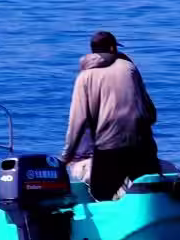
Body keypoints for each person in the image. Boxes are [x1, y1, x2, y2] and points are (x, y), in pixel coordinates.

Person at [62, 30, 160, 201]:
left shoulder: (84, 78)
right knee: (152, 192)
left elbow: (77, 122)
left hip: (108, 148)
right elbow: (150, 112)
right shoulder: (129, 67)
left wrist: (67, 157)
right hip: (141, 145)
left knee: (100, 195)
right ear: (113, 48)